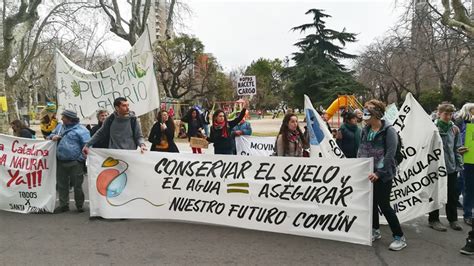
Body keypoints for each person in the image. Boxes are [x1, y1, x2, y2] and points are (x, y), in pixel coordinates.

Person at [357, 99, 407, 251]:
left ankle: (399, 237)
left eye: (368, 111)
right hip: (368, 174)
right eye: (365, 110)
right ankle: (375, 230)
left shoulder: (389, 131)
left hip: (383, 175)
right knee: (371, 203)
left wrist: (379, 172)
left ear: (377, 113)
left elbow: (390, 155)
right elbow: (362, 150)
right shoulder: (365, 130)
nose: (365, 113)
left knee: (384, 205)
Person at [428, 103, 463, 232]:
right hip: (436, 168)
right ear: (439, 113)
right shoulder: (432, 128)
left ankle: (453, 219)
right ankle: (433, 219)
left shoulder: (454, 129)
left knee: (452, 194)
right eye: (445, 114)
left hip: (451, 167)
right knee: (435, 194)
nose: (448, 117)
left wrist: (459, 165)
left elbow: (457, 148)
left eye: (450, 114)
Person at [49, 110, 90, 213]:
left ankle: (79, 205)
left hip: (75, 163)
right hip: (60, 161)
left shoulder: (82, 130)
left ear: (70, 118)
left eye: (64, 117)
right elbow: (49, 135)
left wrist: (80, 159)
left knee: (77, 185)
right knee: (62, 185)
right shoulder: (59, 127)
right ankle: (63, 205)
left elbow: (88, 146)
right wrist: (52, 137)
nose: (61, 119)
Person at [82, 97, 147, 155]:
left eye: (128, 105)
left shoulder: (133, 119)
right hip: (114, 154)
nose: (128, 108)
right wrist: (87, 145)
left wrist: (142, 145)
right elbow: (100, 133)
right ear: (117, 108)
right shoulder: (110, 119)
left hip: (130, 154)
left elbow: (138, 136)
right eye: (124, 106)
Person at [455, 103, 474, 226]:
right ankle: (468, 214)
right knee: (469, 187)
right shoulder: (462, 123)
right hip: (468, 160)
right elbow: (460, 141)